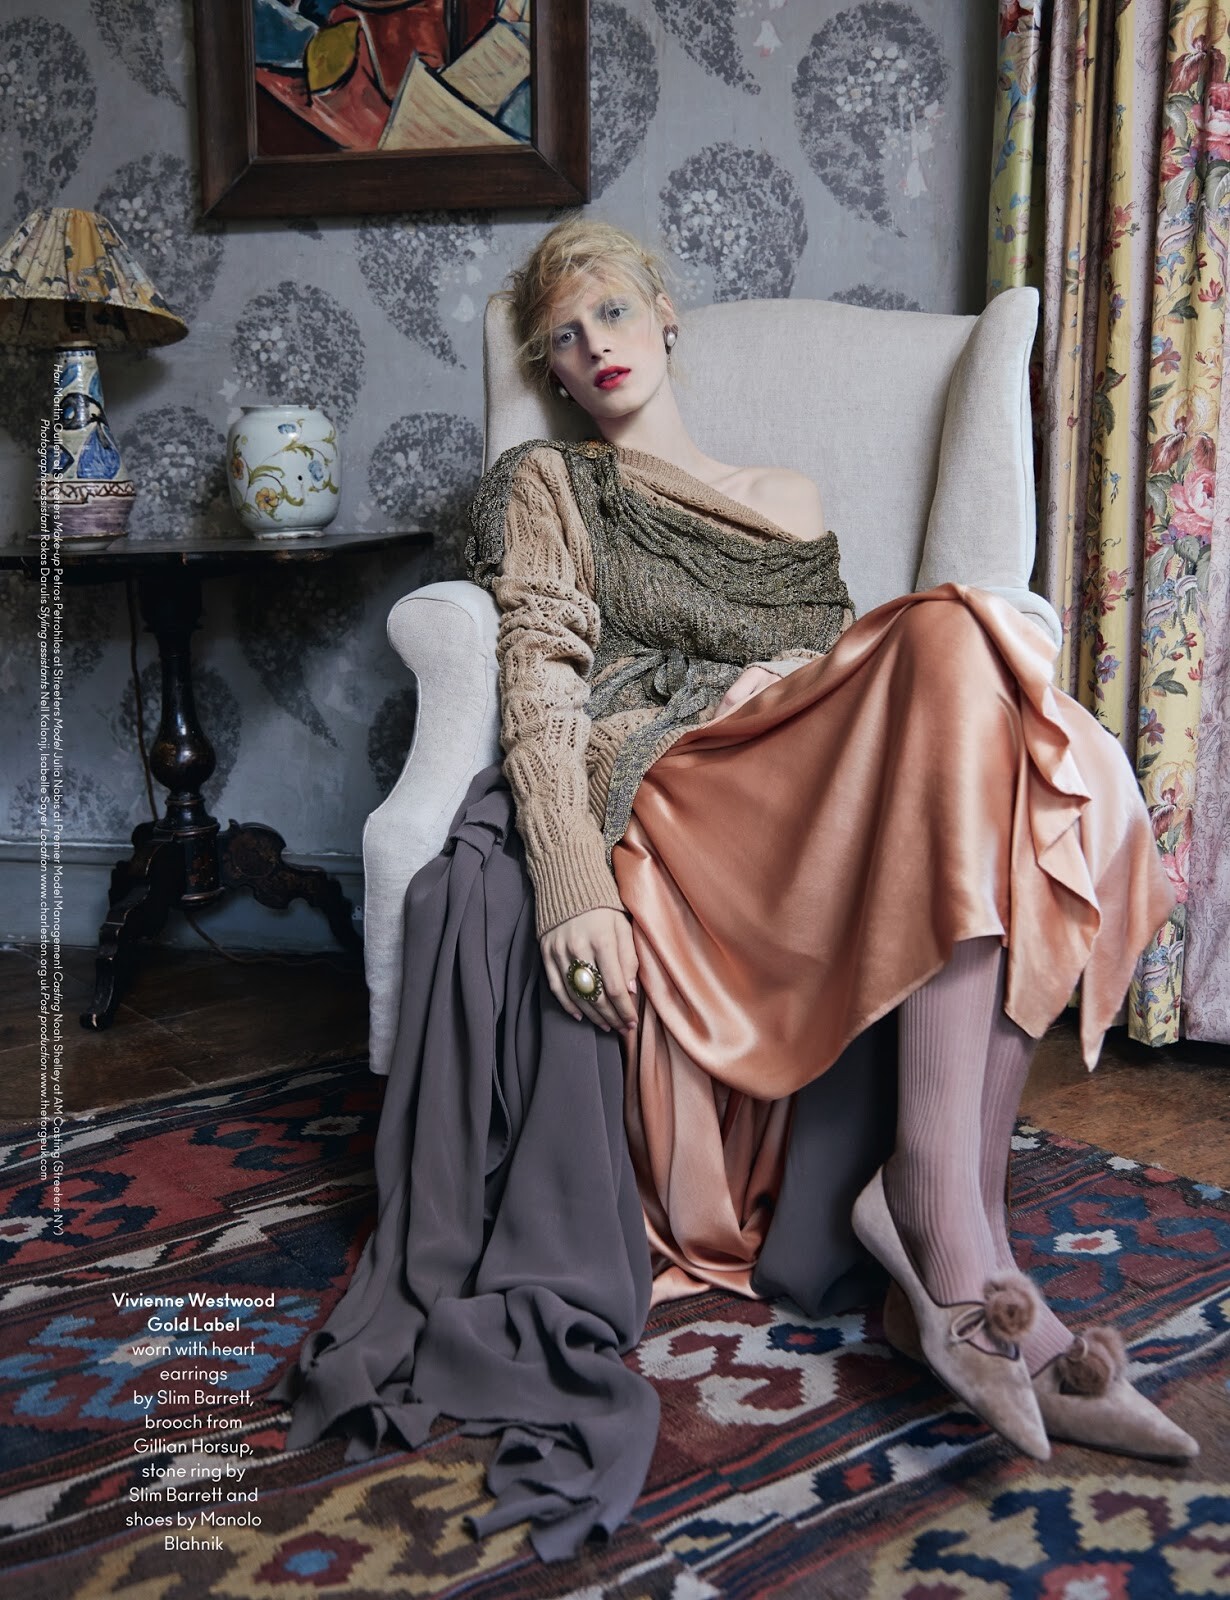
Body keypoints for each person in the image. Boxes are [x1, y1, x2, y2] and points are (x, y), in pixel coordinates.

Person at [272, 218, 1193, 1560]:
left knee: (970, 668)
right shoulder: (549, 482)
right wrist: (571, 882)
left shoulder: (791, 496)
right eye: (562, 338)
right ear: (550, 369)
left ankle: (951, 1228)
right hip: (669, 775)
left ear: (665, 319)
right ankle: (954, 1244)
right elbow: (539, 681)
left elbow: (850, 680)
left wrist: (797, 686)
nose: (592, 348)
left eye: (610, 314)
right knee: (956, 639)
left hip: (792, 775)